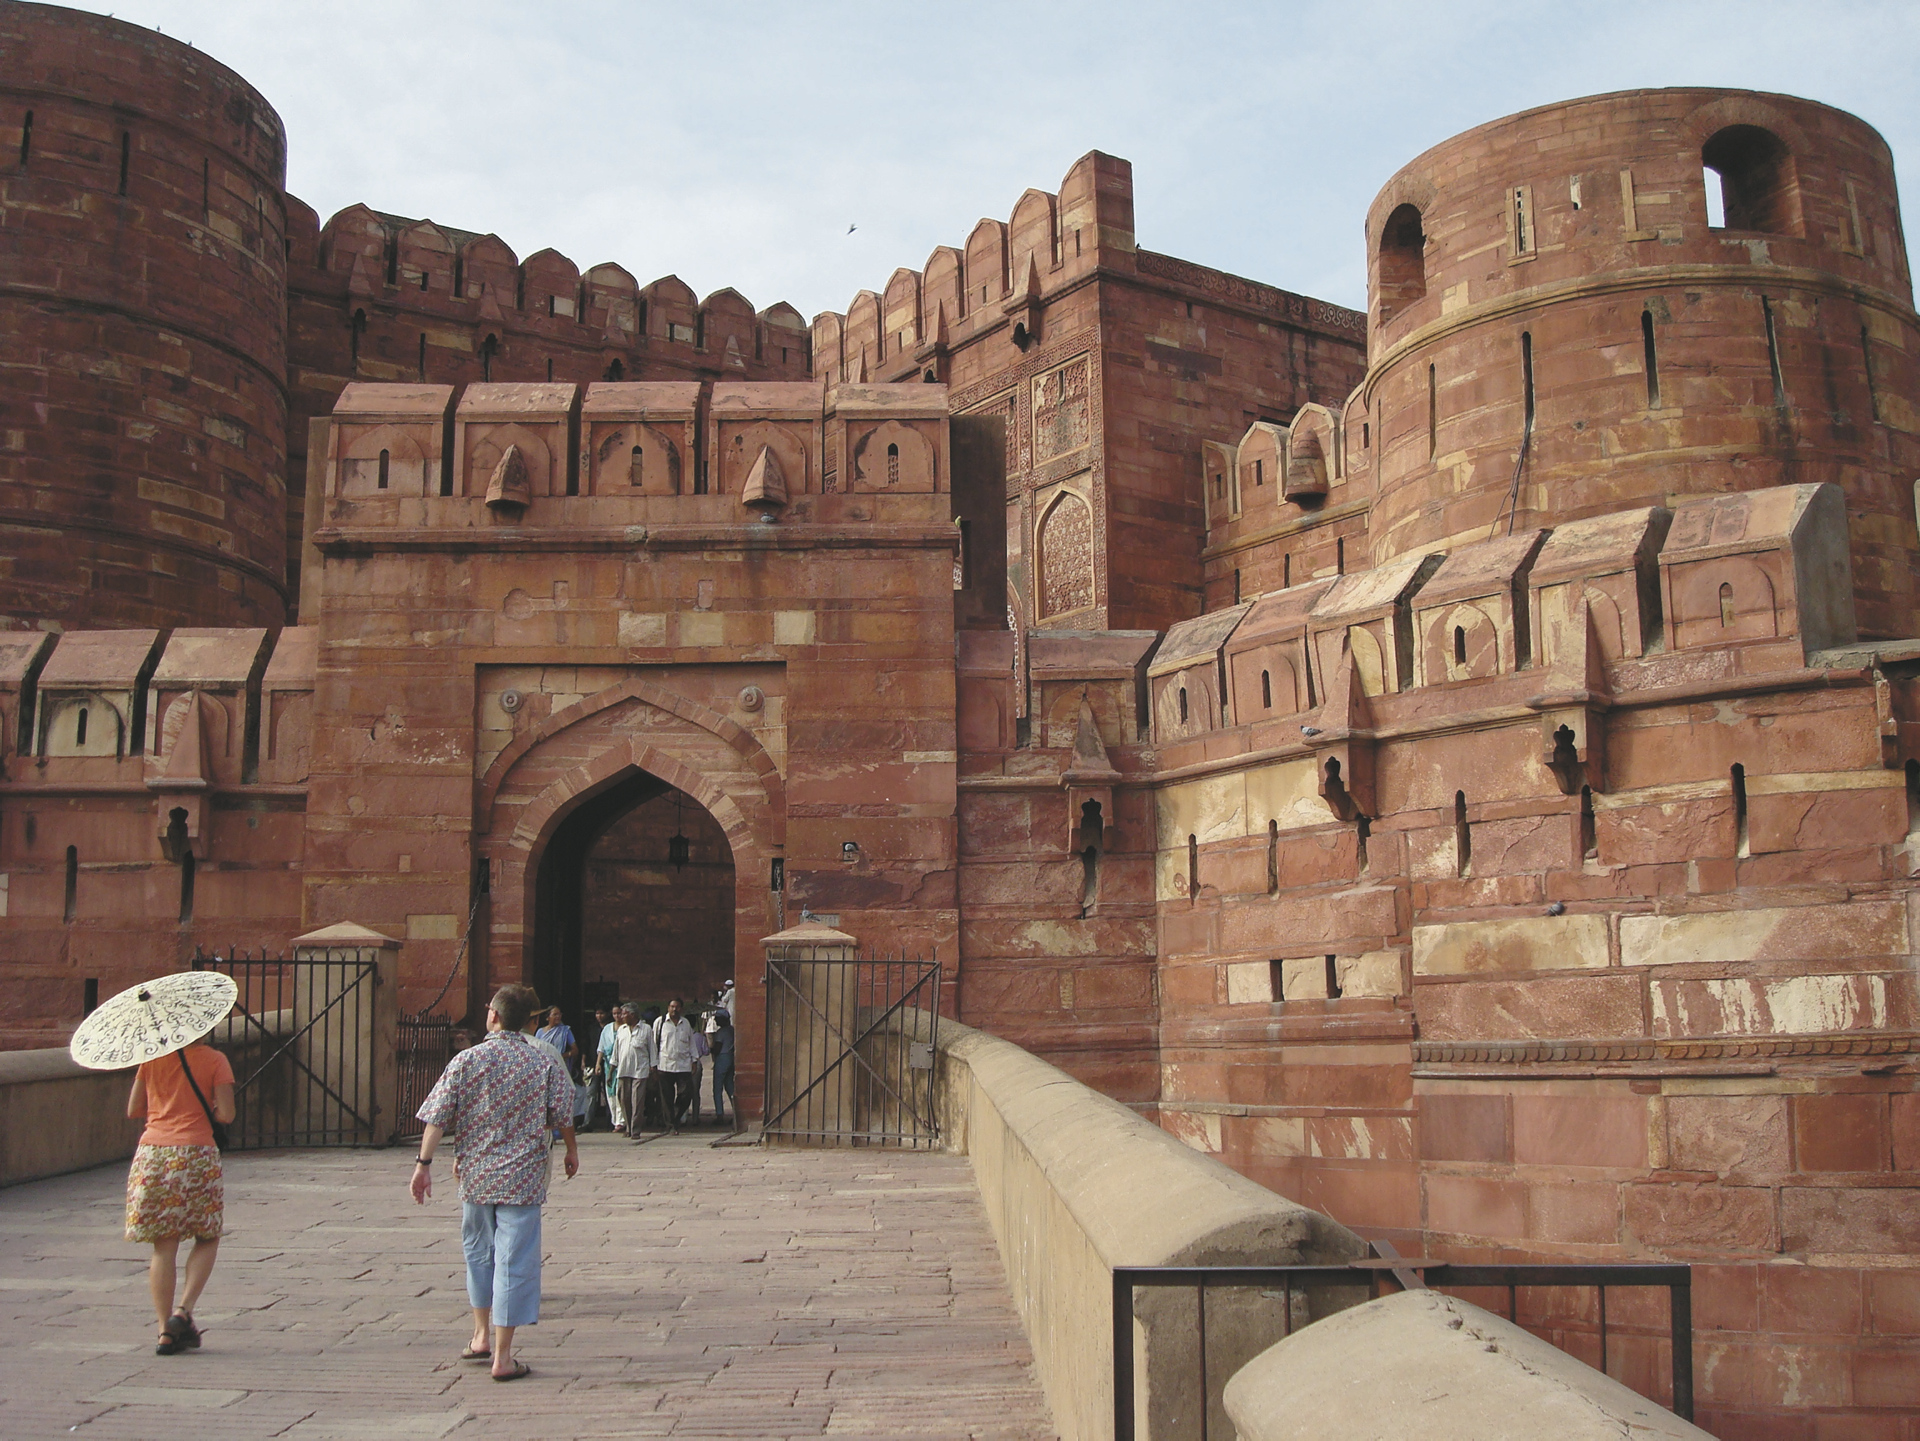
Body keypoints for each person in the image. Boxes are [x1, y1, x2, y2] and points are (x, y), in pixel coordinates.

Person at [411, 983, 576, 1383]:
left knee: (478, 1253)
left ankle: (480, 1334)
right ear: (528, 1021)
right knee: (515, 1260)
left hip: (477, 1174)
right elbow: (562, 1114)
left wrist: (423, 1164)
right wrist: (571, 1150)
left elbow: (438, 1116)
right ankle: (503, 1355)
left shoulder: (467, 1059)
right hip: (523, 1177)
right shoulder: (542, 1061)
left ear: (494, 1016)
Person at [125, 1028, 237, 1355]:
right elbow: (227, 1114)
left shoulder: (152, 1059)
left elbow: (134, 1109)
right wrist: (205, 1109)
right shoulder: (215, 1060)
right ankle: (183, 1310)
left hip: (152, 1155)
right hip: (196, 1153)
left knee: (164, 1246)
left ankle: (164, 1330)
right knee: (207, 1234)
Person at [653, 998, 696, 1133]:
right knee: (666, 1097)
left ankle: (676, 1115)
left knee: (686, 1094)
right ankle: (671, 1124)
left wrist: (694, 1060)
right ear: (668, 1008)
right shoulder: (660, 1022)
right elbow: (654, 1044)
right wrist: (653, 1064)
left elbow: (691, 1042)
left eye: (677, 1007)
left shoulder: (685, 1023)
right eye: (672, 1006)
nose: (674, 1009)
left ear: (681, 1009)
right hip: (665, 1064)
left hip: (683, 1065)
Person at [613, 1003, 654, 1139]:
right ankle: (628, 1126)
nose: (621, 1016)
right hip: (624, 1069)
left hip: (640, 1070)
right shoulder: (622, 1030)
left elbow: (652, 1049)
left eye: (624, 1014)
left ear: (632, 1015)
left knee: (637, 1101)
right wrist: (612, 1069)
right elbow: (616, 1051)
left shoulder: (646, 1029)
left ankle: (636, 1129)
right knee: (624, 1099)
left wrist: (653, 1066)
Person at [707, 1008, 737, 1129]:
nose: (715, 1020)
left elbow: (717, 1048)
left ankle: (720, 1114)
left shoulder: (720, 1032)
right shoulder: (732, 1030)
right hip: (730, 1057)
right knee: (730, 1086)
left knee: (717, 1087)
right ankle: (736, 1112)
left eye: (717, 1018)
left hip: (722, 1058)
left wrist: (710, 1048)